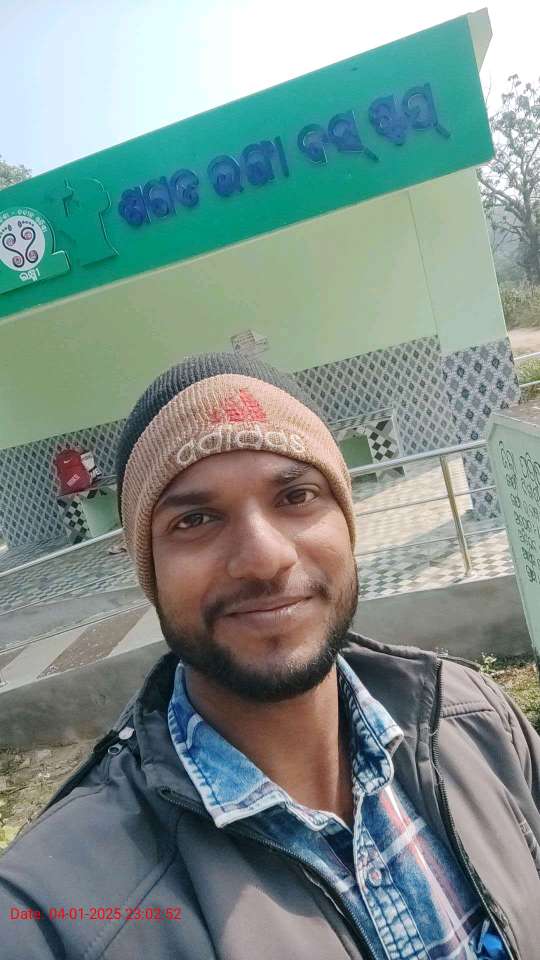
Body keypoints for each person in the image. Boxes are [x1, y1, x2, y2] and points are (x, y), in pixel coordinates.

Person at [1, 353, 539, 960]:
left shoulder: (478, 723)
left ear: (346, 522)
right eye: (195, 519)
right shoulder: (54, 913)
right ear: (150, 571)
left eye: (297, 496)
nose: (263, 558)